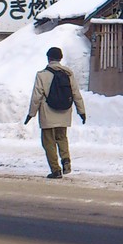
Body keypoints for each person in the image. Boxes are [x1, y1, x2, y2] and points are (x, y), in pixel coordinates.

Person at [25, 46, 86, 179]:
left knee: (49, 142)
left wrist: (31, 114)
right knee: (62, 138)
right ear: (60, 58)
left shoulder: (42, 75)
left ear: (49, 58)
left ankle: (56, 170)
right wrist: (81, 111)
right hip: (64, 111)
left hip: (48, 113)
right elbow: (76, 93)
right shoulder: (68, 74)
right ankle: (66, 161)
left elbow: (36, 96)